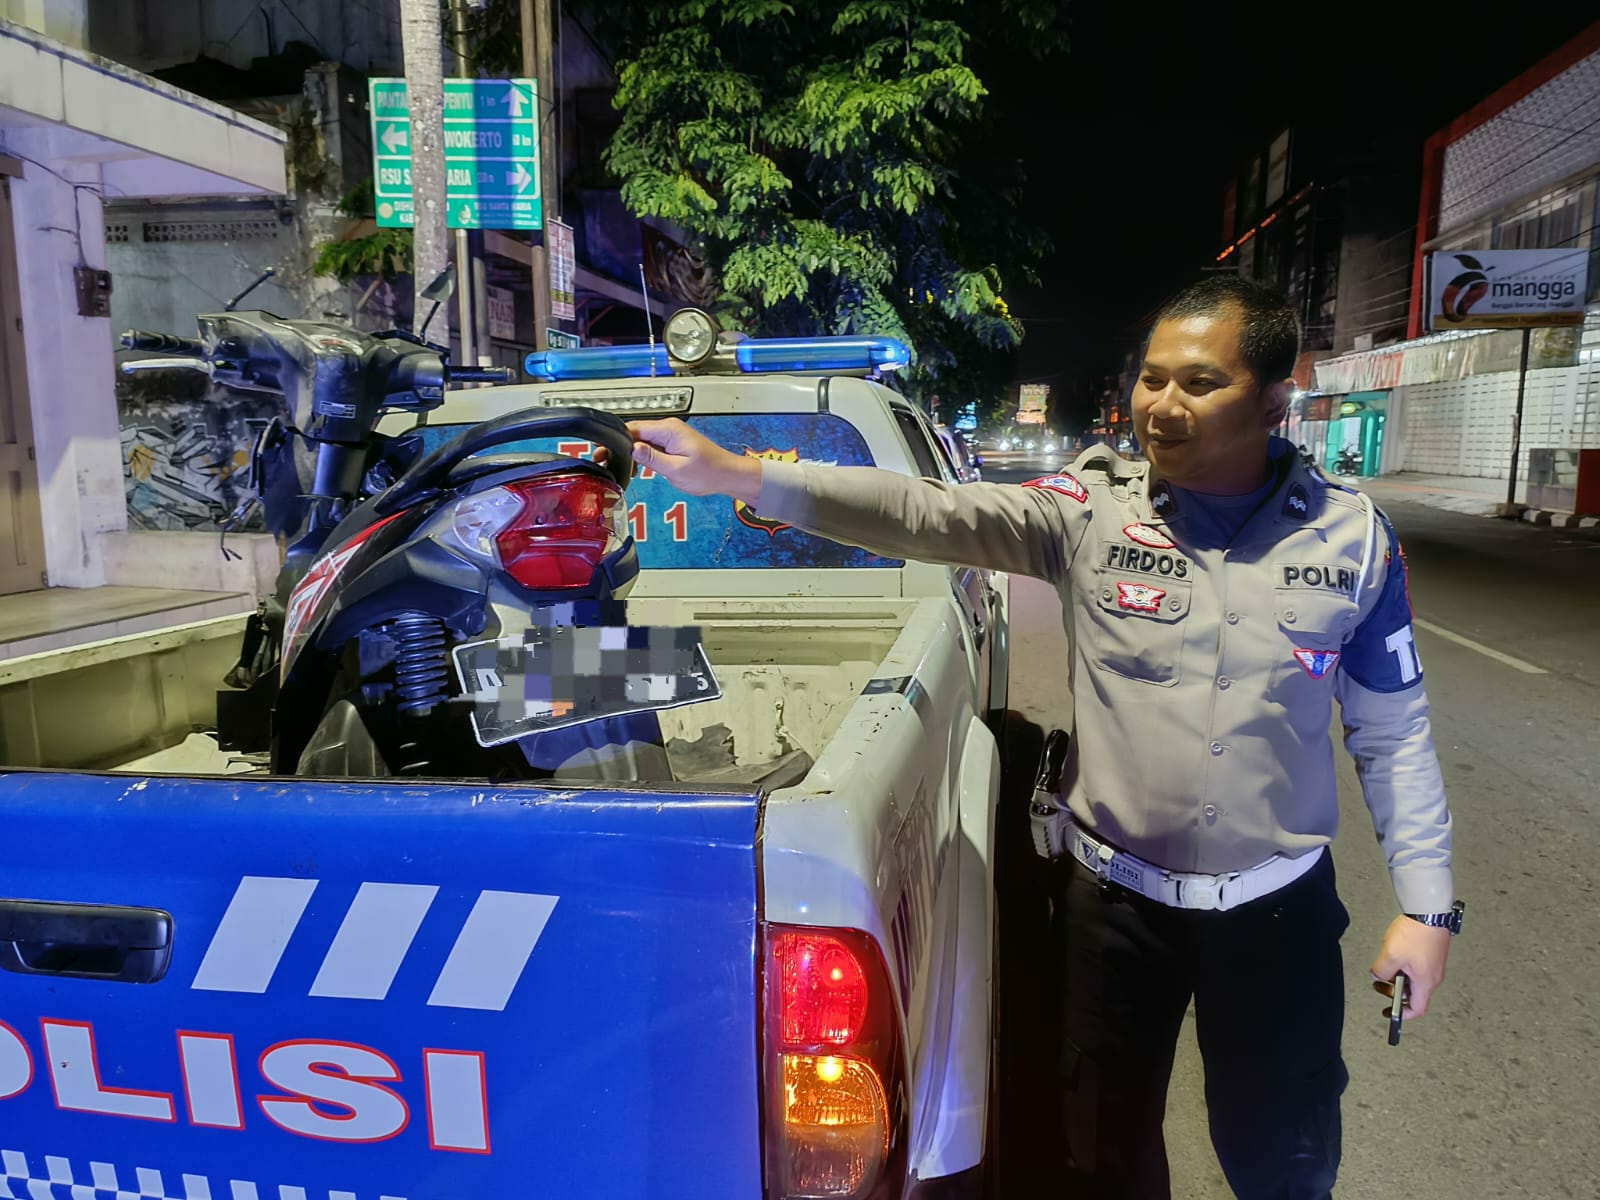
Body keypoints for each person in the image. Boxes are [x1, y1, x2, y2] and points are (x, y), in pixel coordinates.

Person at [626, 276, 1458, 1200]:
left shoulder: (1355, 540)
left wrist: (1427, 908)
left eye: (1198, 383)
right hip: (1116, 911)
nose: (1161, 406)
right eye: (1151, 379)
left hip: (1277, 918)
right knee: (1101, 1158)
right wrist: (740, 476)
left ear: (1273, 399)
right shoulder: (1091, 510)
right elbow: (929, 513)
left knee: (1286, 1164)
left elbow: (1394, 732)